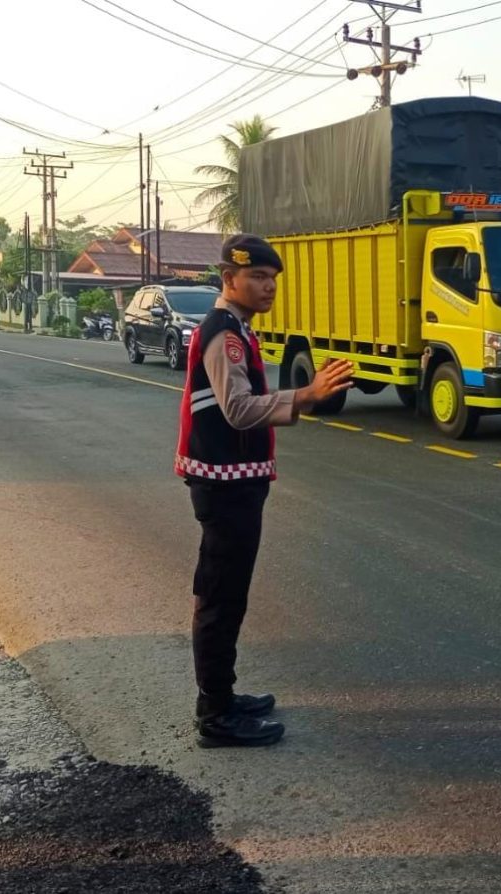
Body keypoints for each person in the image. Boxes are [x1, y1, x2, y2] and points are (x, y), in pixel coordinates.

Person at [175, 234, 353, 749]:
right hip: (223, 484)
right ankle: (215, 715)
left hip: (235, 481)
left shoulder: (237, 329)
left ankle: (223, 697)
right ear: (229, 279)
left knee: (229, 594)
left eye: (273, 278)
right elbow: (237, 408)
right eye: (257, 277)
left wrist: (305, 399)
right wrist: (307, 394)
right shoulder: (223, 333)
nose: (268, 286)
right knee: (220, 597)